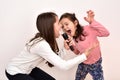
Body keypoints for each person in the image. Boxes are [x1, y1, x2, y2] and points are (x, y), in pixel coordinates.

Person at [5, 12, 97, 80]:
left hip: (28, 70)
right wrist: (84, 55)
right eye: (58, 24)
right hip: (14, 72)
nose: (61, 27)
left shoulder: (45, 41)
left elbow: (55, 61)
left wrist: (64, 49)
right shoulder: (41, 44)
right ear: (49, 27)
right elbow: (64, 66)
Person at [59, 10, 110, 80]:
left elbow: (106, 33)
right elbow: (77, 52)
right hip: (83, 63)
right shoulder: (73, 38)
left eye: (66, 24)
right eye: (62, 27)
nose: (64, 28)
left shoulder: (88, 28)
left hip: (95, 64)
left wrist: (92, 22)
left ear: (75, 23)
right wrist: (72, 46)